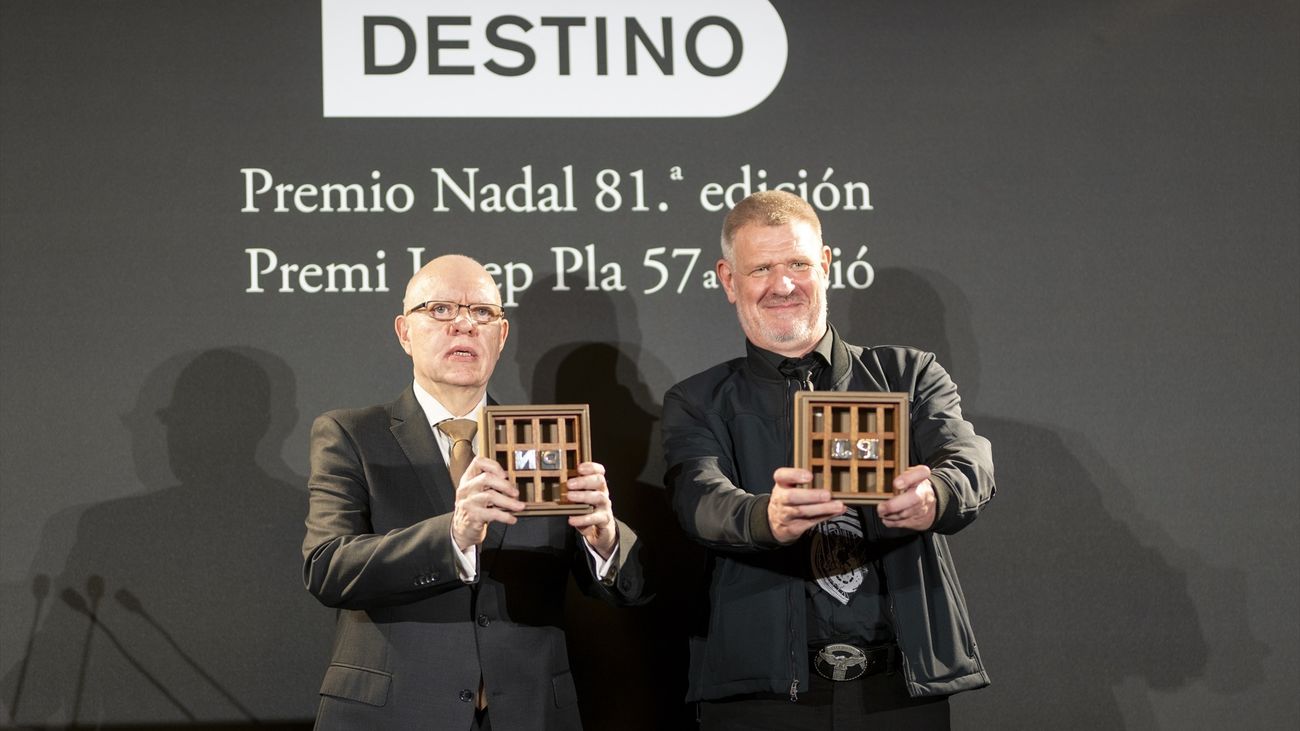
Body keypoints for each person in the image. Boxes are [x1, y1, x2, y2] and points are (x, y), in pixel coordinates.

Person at [662, 191, 994, 729]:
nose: (783, 284)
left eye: (797, 263)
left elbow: (968, 458)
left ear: (826, 264)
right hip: (762, 700)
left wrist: (937, 493)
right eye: (761, 268)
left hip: (900, 694)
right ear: (728, 280)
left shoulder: (909, 376)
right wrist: (763, 517)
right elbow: (697, 497)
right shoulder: (697, 401)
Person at [303, 254, 649, 731]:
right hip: (394, 713)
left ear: (501, 336)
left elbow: (626, 589)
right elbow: (328, 567)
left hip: (530, 714)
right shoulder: (352, 434)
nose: (464, 325)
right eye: (441, 309)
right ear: (405, 332)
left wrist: (605, 539)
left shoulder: (545, 437)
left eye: (483, 313)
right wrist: (454, 535)